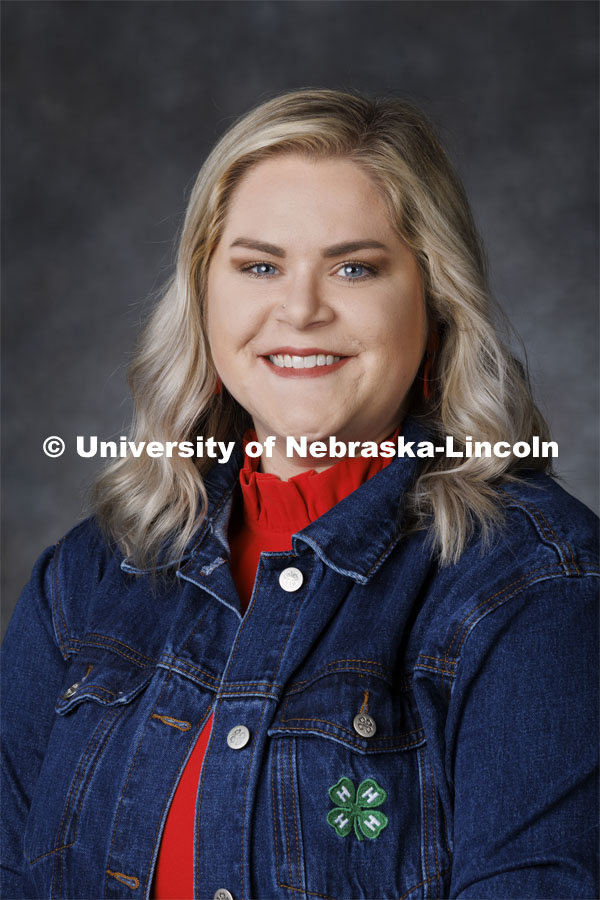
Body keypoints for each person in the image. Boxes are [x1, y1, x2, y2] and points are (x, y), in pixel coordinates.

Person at [1, 88, 598, 900]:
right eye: (259, 266)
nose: (302, 309)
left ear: (434, 301)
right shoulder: (87, 579)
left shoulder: (535, 583)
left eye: (355, 267)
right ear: (205, 297)